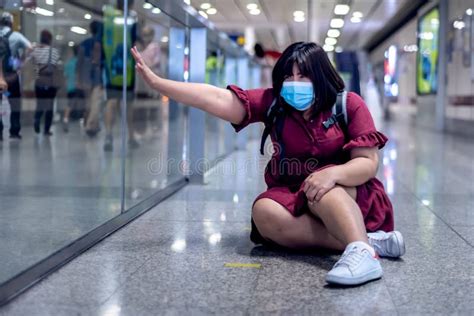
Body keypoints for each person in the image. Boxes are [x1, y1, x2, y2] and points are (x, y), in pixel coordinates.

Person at [131, 42, 406, 286]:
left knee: (321, 190)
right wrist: (158, 84)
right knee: (264, 212)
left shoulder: (348, 105)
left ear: (320, 75)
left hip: (350, 193)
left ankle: (362, 253)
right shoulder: (275, 104)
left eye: (303, 74)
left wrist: (332, 174)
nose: (294, 82)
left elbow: (367, 163)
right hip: (295, 194)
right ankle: (366, 240)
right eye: (288, 75)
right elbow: (215, 98)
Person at [102, 0, 138, 151]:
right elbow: (135, 43)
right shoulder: (131, 20)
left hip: (111, 67)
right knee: (128, 104)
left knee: (111, 101)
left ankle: (109, 135)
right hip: (127, 69)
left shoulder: (108, 18)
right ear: (130, 5)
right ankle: (131, 136)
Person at [0, 12, 32, 140]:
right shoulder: (16, 35)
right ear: (11, 23)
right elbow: (30, 48)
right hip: (12, 76)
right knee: (15, 103)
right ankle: (14, 131)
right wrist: (20, 64)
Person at [30, 30, 61, 136]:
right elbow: (57, 66)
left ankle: (36, 118)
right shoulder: (54, 51)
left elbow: (32, 63)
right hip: (50, 82)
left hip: (39, 81)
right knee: (49, 106)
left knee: (40, 103)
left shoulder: (35, 51)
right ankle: (46, 130)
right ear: (50, 39)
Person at [77, 20, 104, 137]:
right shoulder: (101, 44)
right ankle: (91, 125)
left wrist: (78, 78)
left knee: (89, 102)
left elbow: (79, 63)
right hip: (97, 75)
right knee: (96, 102)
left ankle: (92, 124)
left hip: (85, 75)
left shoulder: (83, 44)